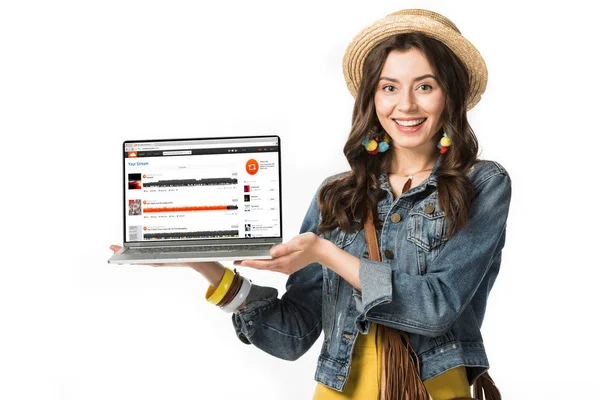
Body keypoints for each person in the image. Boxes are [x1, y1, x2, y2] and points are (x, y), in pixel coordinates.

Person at [111, 8, 511, 400]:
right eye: (389, 87)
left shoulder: (481, 184)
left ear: (450, 95)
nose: (405, 105)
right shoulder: (338, 194)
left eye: (425, 86)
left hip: (432, 391)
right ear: (372, 97)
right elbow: (294, 334)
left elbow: (435, 308)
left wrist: (325, 253)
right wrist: (203, 264)